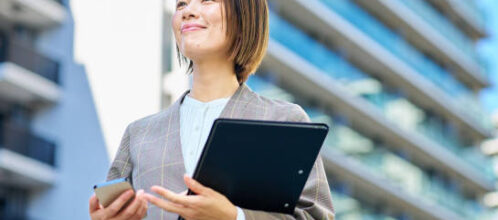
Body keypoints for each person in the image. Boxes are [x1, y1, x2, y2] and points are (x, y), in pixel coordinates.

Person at [88, 0, 335, 219]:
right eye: (181, 4)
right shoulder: (139, 134)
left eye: (207, 0)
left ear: (244, 14)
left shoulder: (285, 121)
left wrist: (233, 217)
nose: (188, 12)